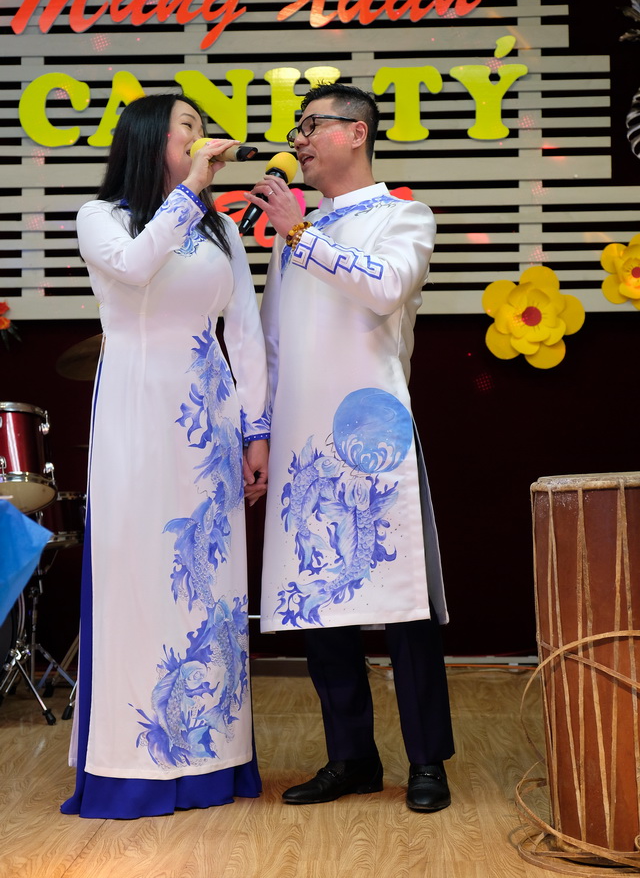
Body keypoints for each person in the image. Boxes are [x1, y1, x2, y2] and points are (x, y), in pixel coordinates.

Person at [248, 82, 454, 813]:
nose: (299, 140)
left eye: (312, 126)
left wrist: (300, 235)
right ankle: (351, 758)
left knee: (402, 601)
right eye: (297, 129)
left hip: (372, 431)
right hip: (302, 436)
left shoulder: (403, 216)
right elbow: (273, 344)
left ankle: (427, 761)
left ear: (357, 133)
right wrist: (260, 432)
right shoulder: (292, 237)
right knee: (317, 598)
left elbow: (387, 286)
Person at [61, 93, 269, 819]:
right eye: (188, 127)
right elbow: (135, 267)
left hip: (210, 415)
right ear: (152, 139)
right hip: (139, 410)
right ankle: (131, 764)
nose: (201, 138)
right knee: (139, 569)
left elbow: (245, 330)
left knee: (212, 582)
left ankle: (212, 756)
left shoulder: (220, 229)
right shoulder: (102, 218)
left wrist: (255, 429)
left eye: (202, 129)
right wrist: (190, 192)